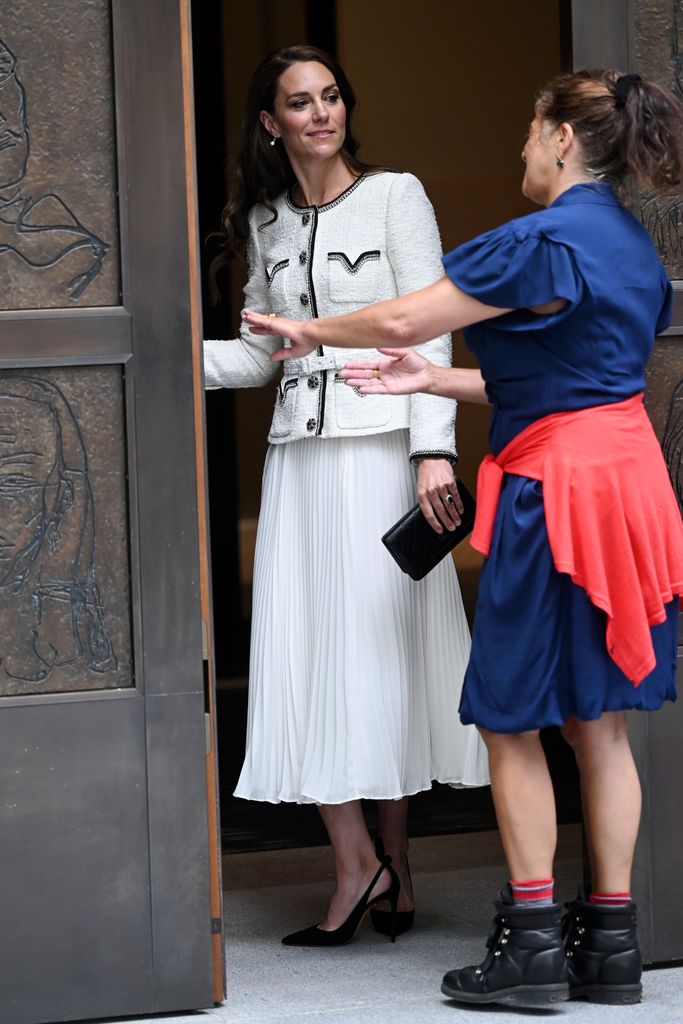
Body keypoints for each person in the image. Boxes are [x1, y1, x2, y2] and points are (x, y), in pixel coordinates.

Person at [243, 69, 683, 1003]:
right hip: (628, 481)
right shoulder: (632, 248)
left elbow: (405, 314)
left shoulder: (537, 239)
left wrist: (307, 327)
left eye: (530, 131)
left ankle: (527, 945)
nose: (521, 149)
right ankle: (608, 945)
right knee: (598, 725)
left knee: (509, 718)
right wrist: (432, 384)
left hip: (556, 495)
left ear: (562, 139)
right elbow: (576, 381)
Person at [204, 44, 488, 947]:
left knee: (383, 655)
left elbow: (430, 327)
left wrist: (431, 454)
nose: (320, 113)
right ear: (270, 121)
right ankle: (355, 862)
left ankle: (391, 866)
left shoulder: (394, 195)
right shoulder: (265, 222)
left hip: (381, 455)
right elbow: (260, 354)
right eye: (299, 102)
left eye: (330, 97)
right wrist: (163, 355)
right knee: (309, 654)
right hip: (302, 462)